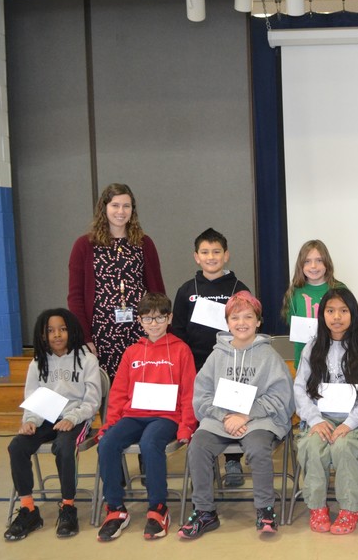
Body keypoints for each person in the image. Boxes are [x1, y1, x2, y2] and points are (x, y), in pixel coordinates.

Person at [178, 292, 293, 539]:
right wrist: (224, 418)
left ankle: (265, 509)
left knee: (258, 447)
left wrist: (246, 416)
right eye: (235, 317)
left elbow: (281, 397)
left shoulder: (269, 357)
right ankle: (205, 512)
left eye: (248, 317)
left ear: (258, 321)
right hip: (222, 418)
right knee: (197, 446)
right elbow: (202, 396)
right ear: (227, 323)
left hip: (257, 420)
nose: (242, 322)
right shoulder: (216, 355)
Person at [95, 293, 197, 542]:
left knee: (150, 443)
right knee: (107, 443)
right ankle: (116, 509)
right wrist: (109, 424)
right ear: (139, 321)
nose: (154, 323)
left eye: (160, 317)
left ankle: (158, 508)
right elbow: (118, 393)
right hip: (133, 415)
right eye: (148, 319)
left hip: (166, 417)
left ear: (169, 318)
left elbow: (189, 391)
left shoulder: (181, 350)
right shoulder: (132, 352)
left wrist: (186, 427)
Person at [5, 308, 102, 541]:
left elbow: (92, 401)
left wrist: (73, 418)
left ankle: (68, 507)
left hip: (76, 418)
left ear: (72, 331)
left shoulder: (86, 359)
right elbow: (33, 398)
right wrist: (29, 421)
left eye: (62, 329)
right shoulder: (38, 362)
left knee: (64, 447)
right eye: (50, 330)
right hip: (45, 417)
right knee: (17, 446)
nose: (57, 335)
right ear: (42, 335)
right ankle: (28, 509)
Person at [295, 288, 358, 535]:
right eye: (331, 310)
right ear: (322, 314)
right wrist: (314, 419)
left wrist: (350, 423)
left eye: (343, 311)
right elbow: (300, 388)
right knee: (311, 446)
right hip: (320, 419)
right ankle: (317, 506)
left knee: (343, 447)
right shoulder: (312, 347)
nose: (337, 317)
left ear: (353, 314)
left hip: (355, 420)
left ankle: (350, 508)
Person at [170, 228, 251, 488]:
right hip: (197, 363)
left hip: (232, 363)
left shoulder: (240, 289)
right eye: (205, 252)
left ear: (226, 255)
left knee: (232, 410)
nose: (211, 257)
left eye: (216, 252)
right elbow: (178, 329)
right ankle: (202, 463)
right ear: (196, 257)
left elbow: (249, 326)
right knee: (203, 414)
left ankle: (233, 460)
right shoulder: (186, 290)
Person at [68, 183, 164, 379]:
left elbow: (157, 292)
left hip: (141, 330)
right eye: (115, 205)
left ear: (133, 210)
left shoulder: (144, 244)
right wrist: (85, 337)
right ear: (104, 208)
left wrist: (161, 331)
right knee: (109, 392)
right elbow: (75, 297)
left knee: (144, 385)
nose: (121, 211)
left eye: (126, 206)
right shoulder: (84, 245)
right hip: (101, 335)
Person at [282, 239, 345, 367]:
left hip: (335, 361)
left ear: (327, 263)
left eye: (319, 260)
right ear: (301, 265)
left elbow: (348, 322)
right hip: (304, 362)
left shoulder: (339, 290)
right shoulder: (294, 293)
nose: (313, 266)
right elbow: (293, 325)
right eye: (307, 261)